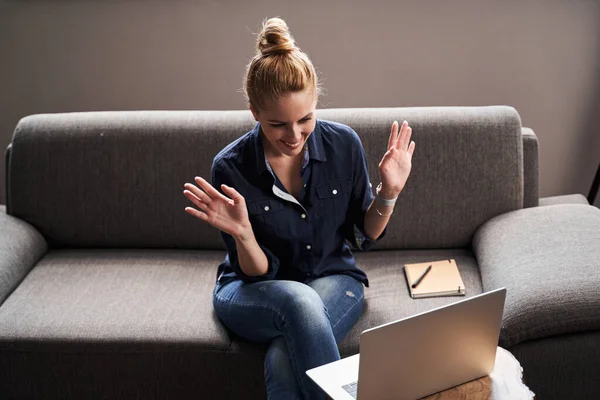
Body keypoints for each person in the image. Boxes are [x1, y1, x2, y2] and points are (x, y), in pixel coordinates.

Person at [183, 17, 415, 400]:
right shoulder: (231, 166)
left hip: (334, 278)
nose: (293, 137)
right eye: (277, 125)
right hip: (252, 289)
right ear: (254, 112)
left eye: (305, 120)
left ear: (316, 104)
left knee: (280, 359)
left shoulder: (344, 145)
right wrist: (242, 233)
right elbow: (256, 273)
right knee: (298, 299)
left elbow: (365, 233)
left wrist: (388, 192)